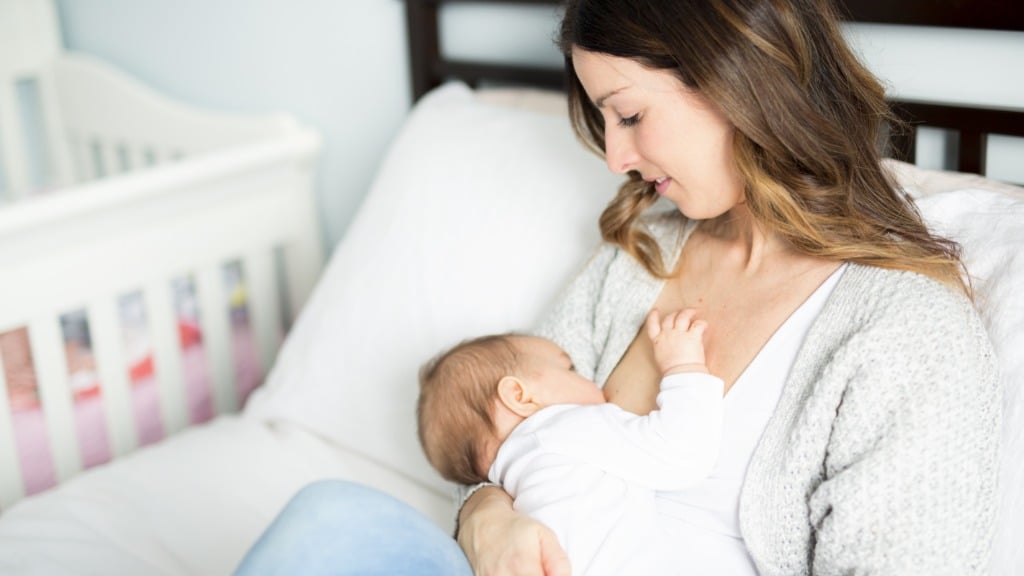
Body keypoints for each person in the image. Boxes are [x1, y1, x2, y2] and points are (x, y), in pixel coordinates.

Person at [235, 0, 1000, 574]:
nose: (614, 159)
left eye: (628, 114)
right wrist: (488, 520)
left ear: (741, 81)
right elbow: (505, 437)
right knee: (329, 520)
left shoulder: (905, 330)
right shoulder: (642, 255)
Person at [417, 309, 724, 576]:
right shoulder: (565, 428)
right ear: (520, 396)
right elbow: (682, 454)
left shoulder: (514, 488)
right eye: (570, 368)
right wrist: (683, 366)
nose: (589, 378)